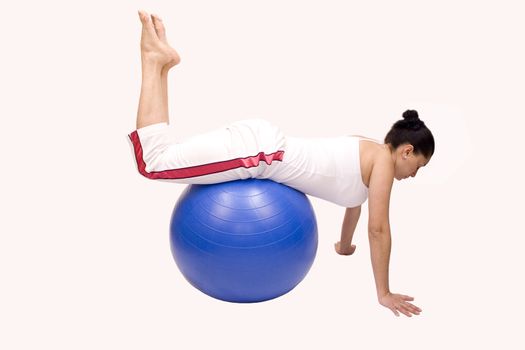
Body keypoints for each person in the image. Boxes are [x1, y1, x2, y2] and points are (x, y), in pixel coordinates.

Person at [129, 10, 434, 317]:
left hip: (262, 148)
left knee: (160, 158)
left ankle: (163, 66)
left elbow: (354, 202)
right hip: (258, 153)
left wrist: (343, 245)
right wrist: (384, 293)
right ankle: (152, 61)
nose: (413, 175)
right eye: (418, 166)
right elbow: (378, 229)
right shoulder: (382, 161)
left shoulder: (369, 152)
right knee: (153, 162)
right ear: (406, 151)